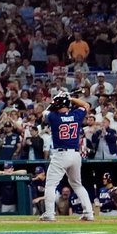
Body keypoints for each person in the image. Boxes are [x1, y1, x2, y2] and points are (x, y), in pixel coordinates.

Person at [40, 90, 96, 221]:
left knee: (50, 185)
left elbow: (45, 111)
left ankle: (49, 214)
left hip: (61, 155)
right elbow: (86, 106)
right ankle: (89, 213)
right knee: (77, 184)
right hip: (75, 155)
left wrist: (58, 98)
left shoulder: (54, 117)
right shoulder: (76, 114)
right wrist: (69, 98)